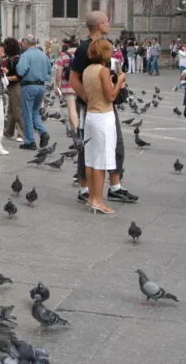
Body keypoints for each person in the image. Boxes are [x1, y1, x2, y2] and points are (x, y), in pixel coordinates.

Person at [71, 12, 137, 204]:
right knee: (88, 145)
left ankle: (115, 186)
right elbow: (74, 77)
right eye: (107, 21)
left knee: (116, 142)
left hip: (107, 104)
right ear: (100, 25)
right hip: (91, 106)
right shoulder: (85, 48)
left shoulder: (103, 46)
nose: (110, 23)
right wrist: (86, 96)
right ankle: (85, 189)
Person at [82, 39, 126, 214]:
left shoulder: (87, 70)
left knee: (90, 159)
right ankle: (98, 200)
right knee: (101, 161)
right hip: (104, 116)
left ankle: (92, 197)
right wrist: (120, 79)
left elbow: (85, 96)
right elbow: (111, 97)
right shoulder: (103, 71)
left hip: (90, 115)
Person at [16, 34, 51, 151]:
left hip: (29, 85)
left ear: (25, 43)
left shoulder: (26, 55)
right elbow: (49, 72)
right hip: (41, 86)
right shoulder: (43, 55)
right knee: (35, 112)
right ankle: (43, 132)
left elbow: (21, 71)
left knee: (27, 113)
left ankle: (30, 141)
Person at [2, 37, 25, 145]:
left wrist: (6, 77)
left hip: (16, 87)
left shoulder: (16, 60)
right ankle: (8, 132)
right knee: (11, 110)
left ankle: (21, 133)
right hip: (12, 87)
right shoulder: (12, 59)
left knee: (17, 110)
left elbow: (18, 76)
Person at [53, 40, 79, 132]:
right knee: (81, 109)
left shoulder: (64, 55)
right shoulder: (83, 53)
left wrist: (57, 85)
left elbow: (59, 72)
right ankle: (79, 128)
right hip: (82, 85)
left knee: (72, 109)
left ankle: (75, 130)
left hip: (68, 86)